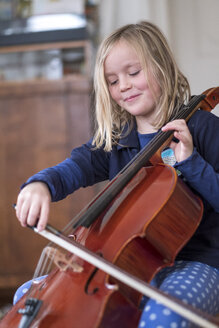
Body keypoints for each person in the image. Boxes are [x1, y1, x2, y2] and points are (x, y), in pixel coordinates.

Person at [14, 21, 219, 327]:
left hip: (199, 263)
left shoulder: (201, 128)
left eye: (133, 73)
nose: (123, 86)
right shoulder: (117, 140)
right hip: (129, 266)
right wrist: (41, 184)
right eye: (112, 81)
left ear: (161, 67)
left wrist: (191, 162)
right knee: (29, 298)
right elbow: (77, 166)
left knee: (160, 317)